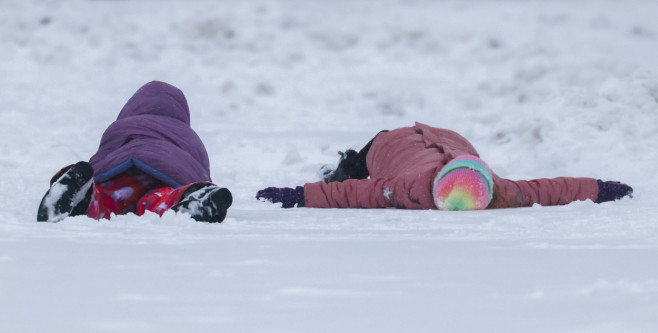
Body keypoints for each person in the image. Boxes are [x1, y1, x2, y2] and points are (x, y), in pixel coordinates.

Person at [256, 122, 633, 210]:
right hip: (394, 140)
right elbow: (351, 189)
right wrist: (599, 187)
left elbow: (551, 188)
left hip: (446, 142)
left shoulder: (498, 190)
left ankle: (347, 162)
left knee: (368, 163)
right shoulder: (409, 186)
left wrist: (297, 196)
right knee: (355, 168)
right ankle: (344, 163)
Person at [37, 81, 232, 223]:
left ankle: (86, 197)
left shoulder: (122, 125)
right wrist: (196, 183)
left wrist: (95, 173)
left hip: (124, 175)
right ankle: (188, 198)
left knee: (110, 198)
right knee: (159, 199)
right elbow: (198, 168)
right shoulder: (189, 136)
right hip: (167, 178)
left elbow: (105, 153)